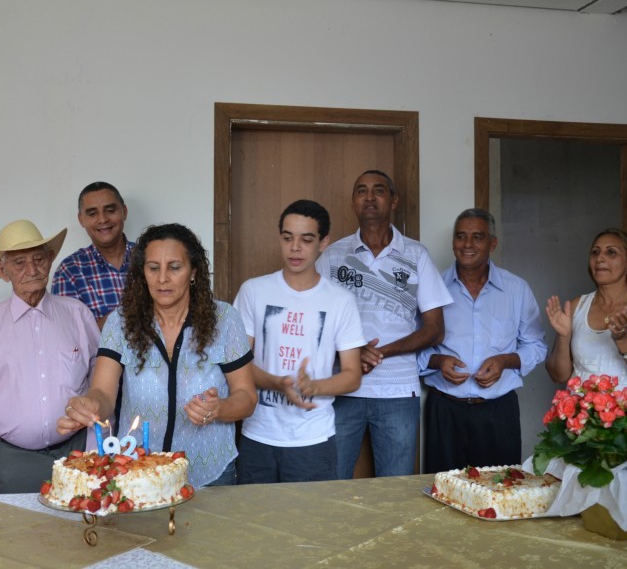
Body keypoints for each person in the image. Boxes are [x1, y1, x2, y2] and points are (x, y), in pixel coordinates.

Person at [58, 223, 257, 487]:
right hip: (137, 470)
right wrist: (90, 406)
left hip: (210, 472)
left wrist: (219, 408)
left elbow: (247, 397)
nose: (163, 278)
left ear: (193, 271)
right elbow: (103, 394)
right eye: (153, 268)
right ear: (143, 273)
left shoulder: (224, 320)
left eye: (174, 267)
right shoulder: (121, 322)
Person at [317, 170, 452, 477]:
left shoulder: (416, 255)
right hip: (343, 388)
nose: (369, 197)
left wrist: (381, 352)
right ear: (353, 202)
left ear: (394, 200)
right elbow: (317, 323)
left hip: (398, 390)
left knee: (396, 489)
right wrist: (352, 352)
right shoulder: (333, 256)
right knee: (329, 485)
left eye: (378, 190)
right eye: (361, 190)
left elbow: (435, 329)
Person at [0, 219, 100, 494]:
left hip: (77, 455)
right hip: (13, 462)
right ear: (3, 270)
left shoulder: (78, 314)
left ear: (50, 260)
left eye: (39, 259)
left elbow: (101, 387)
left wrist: (95, 454)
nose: (32, 270)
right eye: (20, 263)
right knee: (15, 535)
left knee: (79, 534)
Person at [233, 200, 364, 484]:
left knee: (310, 526)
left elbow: (353, 376)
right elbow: (237, 365)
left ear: (323, 243)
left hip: (314, 440)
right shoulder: (253, 291)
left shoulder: (340, 301)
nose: (295, 248)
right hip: (258, 435)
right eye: (287, 238)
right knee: (253, 525)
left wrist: (314, 386)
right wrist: (277, 382)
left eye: (306, 240)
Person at [419, 209, 547, 473]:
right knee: (442, 492)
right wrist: (438, 360)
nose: (467, 244)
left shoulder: (516, 289)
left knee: (499, 492)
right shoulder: (432, 287)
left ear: (492, 243)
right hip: (445, 410)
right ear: (453, 242)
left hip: (498, 412)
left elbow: (536, 345)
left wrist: (504, 360)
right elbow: (413, 345)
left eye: (477, 237)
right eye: (461, 236)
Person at [545, 228, 627, 394]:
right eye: (595, 252)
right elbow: (559, 376)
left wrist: (623, 340)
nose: (600, 258)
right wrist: (564, 336)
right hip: (580, 417)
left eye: (611, 252)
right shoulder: (577, 305)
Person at [52, 182, 134, 329]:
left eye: (110, 210)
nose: (102, 219)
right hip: (99, 353)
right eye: (92, 213)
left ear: (124, 211)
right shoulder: (69, 271)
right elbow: (72, 338)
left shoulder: (151, 257)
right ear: (81, 219)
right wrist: (133, 312)